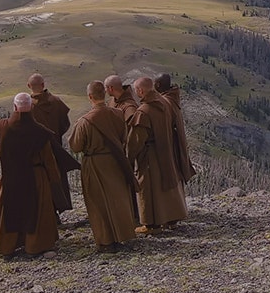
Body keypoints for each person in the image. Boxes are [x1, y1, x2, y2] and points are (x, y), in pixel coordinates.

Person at [0, 92, 60, 260]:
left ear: (15, 107)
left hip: (11, 176)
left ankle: (7, 247)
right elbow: (49, 159)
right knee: (37, 210)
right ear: (31, 107)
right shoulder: (41, 132)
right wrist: (54, 180)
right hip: (36, 176)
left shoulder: (1, 126)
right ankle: (34, 246)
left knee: (9, 210)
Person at [68, 80, 138, 251]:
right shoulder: (117, 114)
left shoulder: (85, 121)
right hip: (115, 161)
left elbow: (76, 146)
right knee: (118, 199)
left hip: (95, 163)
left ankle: (106, 241)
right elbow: (123, 137)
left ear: (90, 96)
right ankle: (123, 234)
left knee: (98, 202)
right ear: (105, 94)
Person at [126, 76, 188, 232]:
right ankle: (172, 219)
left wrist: (129, 158)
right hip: (166, 150)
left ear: (140, 91)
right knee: (167, 184)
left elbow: (136, 141)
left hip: (150, 156)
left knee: (149, 188)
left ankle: (151, 224)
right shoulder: (165, 103)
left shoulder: (143, 112)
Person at [26, 73, 80, 217]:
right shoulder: (56, 102)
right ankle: (57, 209)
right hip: (56, 146)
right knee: (56, 177)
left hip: (37, 151)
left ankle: (46, 214)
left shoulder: (28, 107)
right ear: (43, 85)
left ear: (29, 86)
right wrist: (56, 136)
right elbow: (65, 124)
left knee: (41, 180)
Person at [154, 74, 198, 223]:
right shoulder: (172, 98)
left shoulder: (164, 102)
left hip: (169, 146)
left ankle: (172, 214)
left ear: (158, 85)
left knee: (170, 180)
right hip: (175, 145)